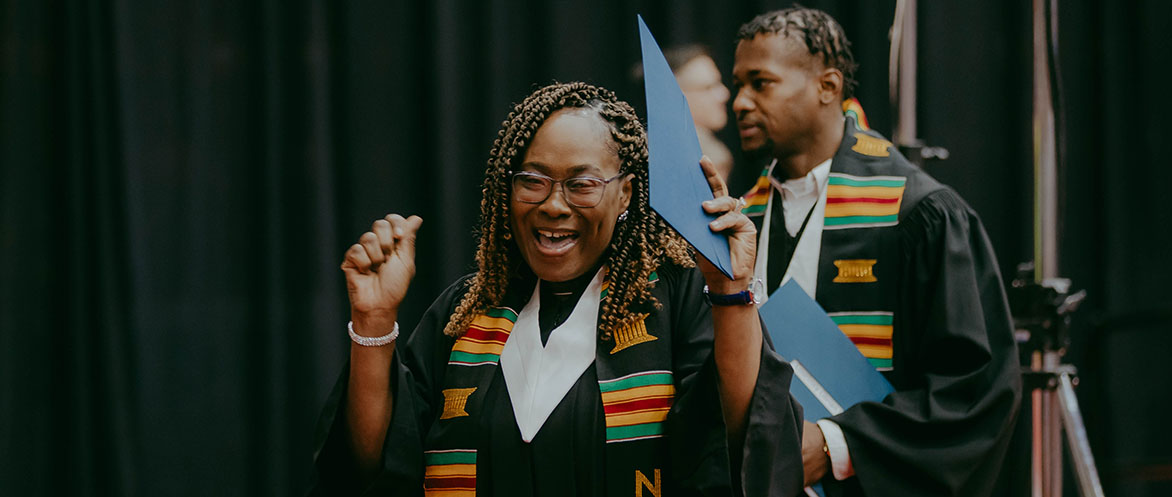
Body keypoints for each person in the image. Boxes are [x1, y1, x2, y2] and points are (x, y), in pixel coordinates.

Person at [309, 82, 803, 496]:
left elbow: (739, 443)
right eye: (533, 180)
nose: (553, 205)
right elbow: (373, 468)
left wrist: (732, 292)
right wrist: (373, 322)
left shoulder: (674, 299)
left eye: (581, 184)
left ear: (625, 191)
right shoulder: (466, 313)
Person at [730, 7, 1021, 497]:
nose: (740, 102)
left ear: (827, 86)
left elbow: (973, 392)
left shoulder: (917, 213)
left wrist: (835, 444)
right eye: (738, 84)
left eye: (761, 83)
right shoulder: (743, 218)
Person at [666, 45, 735, 181]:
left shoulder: (713, 151)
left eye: (719, 84)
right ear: (676, 96)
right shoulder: (678, 158)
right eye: (708, 87)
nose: (724, 94)